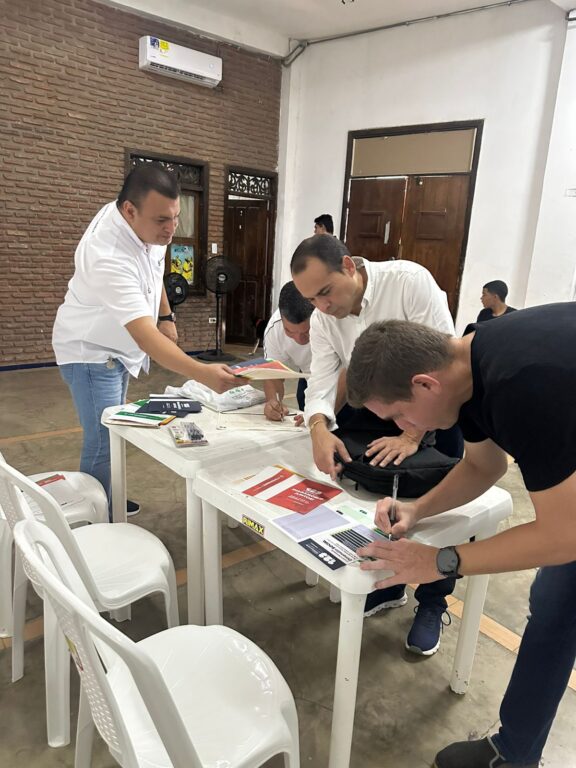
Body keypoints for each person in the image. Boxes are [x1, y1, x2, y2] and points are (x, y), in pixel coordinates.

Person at [345, 304, 576, 768]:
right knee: (555, 606)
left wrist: (440, 561)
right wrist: (417, 510)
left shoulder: (521, 382)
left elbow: (566, 535)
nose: (404, 429)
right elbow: (482, 465)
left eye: (400, 416)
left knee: (558, 591)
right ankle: (513, 755)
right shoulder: (466, 363)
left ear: (424, 385)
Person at [291, 234, 462, 655]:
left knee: (434, 512)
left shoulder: (409, 283)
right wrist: (317, 426)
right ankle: (390, 585)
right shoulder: (323, 318)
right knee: (380, 502)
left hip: (436, 415)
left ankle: (432, 602)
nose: (323, 307)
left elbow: (446, 366)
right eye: (312, 299)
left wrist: (411, 433)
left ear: (349, 266)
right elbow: (322, 380)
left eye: (326, 292)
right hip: (380, 415)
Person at [52, 164, 240, 514]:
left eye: (175, 218)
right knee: (103, 438)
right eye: (161, 221)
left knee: (116, 428)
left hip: (117, 347)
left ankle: (106, 495)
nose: (170, 230)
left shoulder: (147, 223)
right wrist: (203, 373)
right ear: (129, 211)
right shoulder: (106, 253)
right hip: (91, 351)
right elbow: (145, 339)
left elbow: (156, 269)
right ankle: (96, 514)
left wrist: (165, 314)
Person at [262, 281, 314, 420]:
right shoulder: (275, 329)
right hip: (308, 378)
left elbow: (345, 373)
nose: (299, 340)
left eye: (306, 332)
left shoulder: (331, 319)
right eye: (290, 331)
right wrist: (273, 402)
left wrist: (321, 412)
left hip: (344, 379)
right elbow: (273, 375)